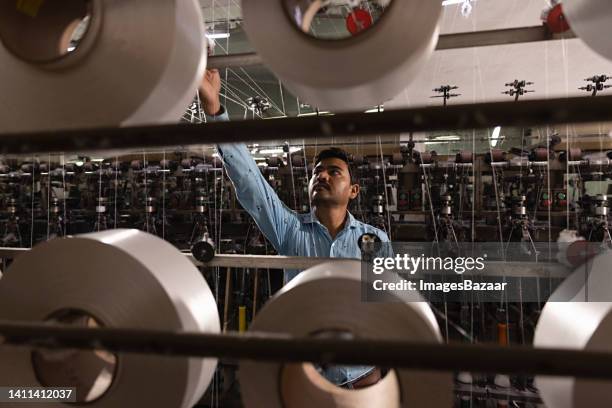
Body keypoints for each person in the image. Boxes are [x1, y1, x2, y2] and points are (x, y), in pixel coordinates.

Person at [198, 68, 389, 388]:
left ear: (353, 191)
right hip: (307, 376)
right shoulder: (290, 231)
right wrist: (215, 111)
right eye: (317, 172)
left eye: (334, 172)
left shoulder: (374, 240)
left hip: (363, 375)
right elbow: (250, 184)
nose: (323, 177)